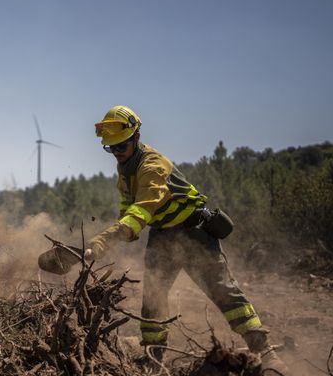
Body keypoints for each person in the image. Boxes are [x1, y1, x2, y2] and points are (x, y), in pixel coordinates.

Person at [85, 105, 273, 362]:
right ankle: (153, 358)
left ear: (136, 137)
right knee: (153, 298)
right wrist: (121, 230)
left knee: (223, 291)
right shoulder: (125, 169)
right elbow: (128, 206)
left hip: (192, 232)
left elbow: (143, 209)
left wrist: (106, 239)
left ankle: (264, 350)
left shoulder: (152, 166)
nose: (117, 152)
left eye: (121, 146)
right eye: (111, 148)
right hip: (162, 236)